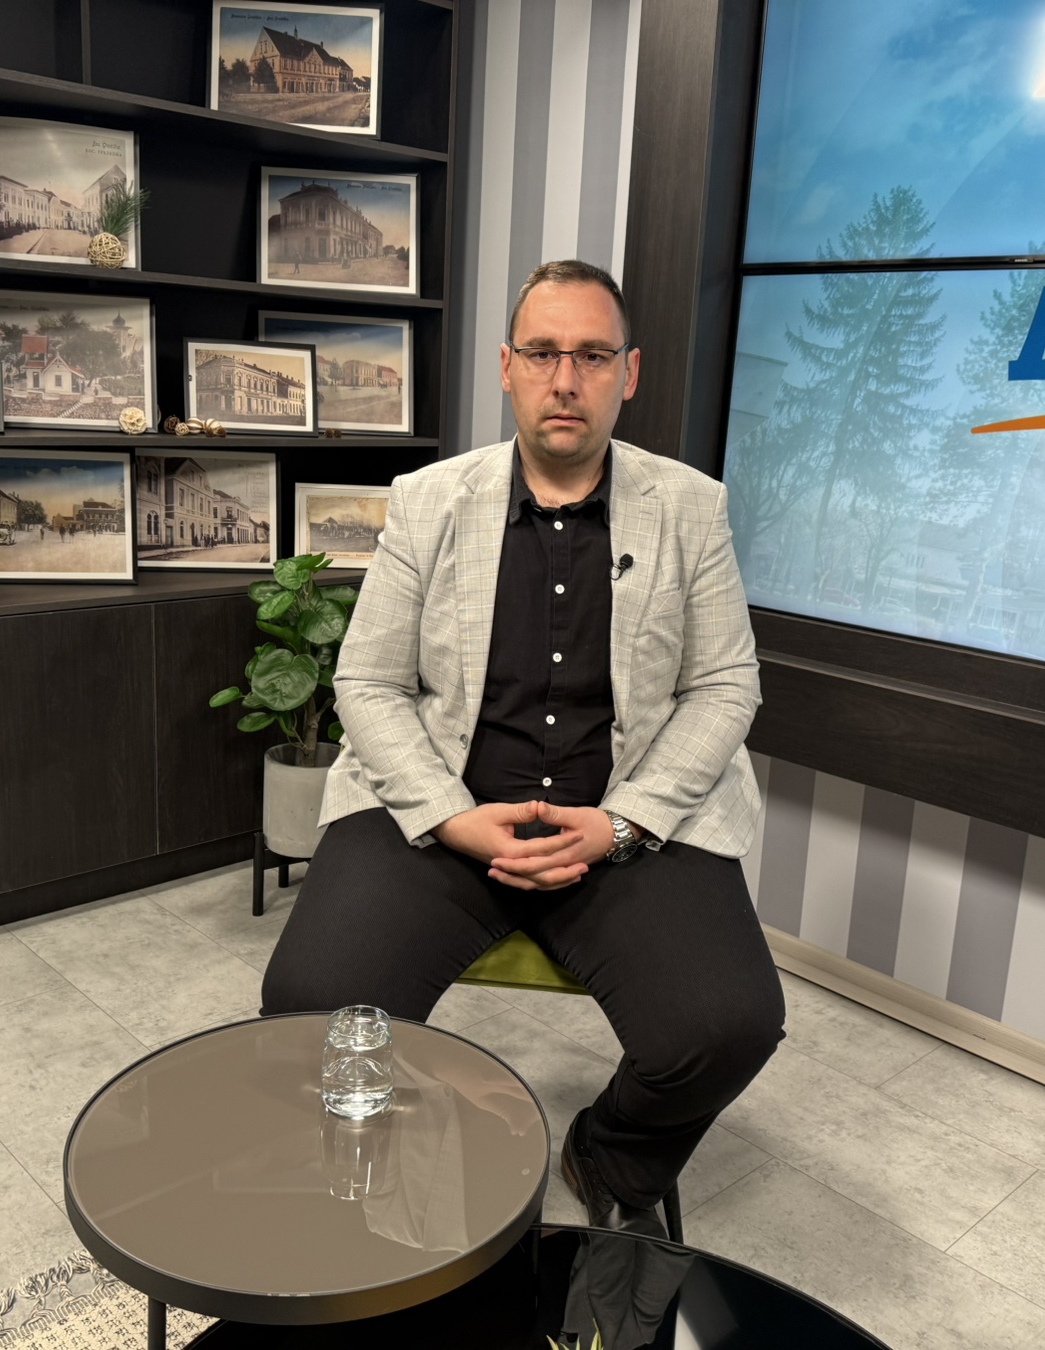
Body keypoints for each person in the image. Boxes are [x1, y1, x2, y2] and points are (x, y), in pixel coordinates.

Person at [261, 259, 784, 1238]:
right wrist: (448, 816)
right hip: (443, 812)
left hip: (621, 820)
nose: (565, 379)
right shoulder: (429, 500)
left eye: (593, 355)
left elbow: (725, 685)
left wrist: (623, 823)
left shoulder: (690, 507)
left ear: (629, 373)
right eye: (542, 353)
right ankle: (386, 1170)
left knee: (729, 1024)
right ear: (506, 368)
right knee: (308, 1002)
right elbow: (367, 682)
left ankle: (612, 1151)